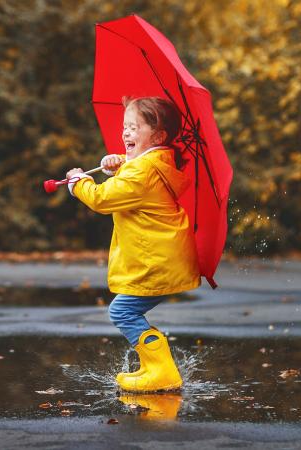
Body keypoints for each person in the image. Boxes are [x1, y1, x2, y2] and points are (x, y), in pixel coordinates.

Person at [66, 96, 199, 392]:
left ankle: (162, 371)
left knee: (122, 312)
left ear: (159, 136)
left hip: (156, 261)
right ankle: (155, 368)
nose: (126, 133)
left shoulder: (143, 171)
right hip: (163, 258)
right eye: (125, 127)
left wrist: (78, 184)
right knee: (128, 312)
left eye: (134, 127)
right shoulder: (154, 162)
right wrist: (114, 164)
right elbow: (132, 174)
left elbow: (104, 198)